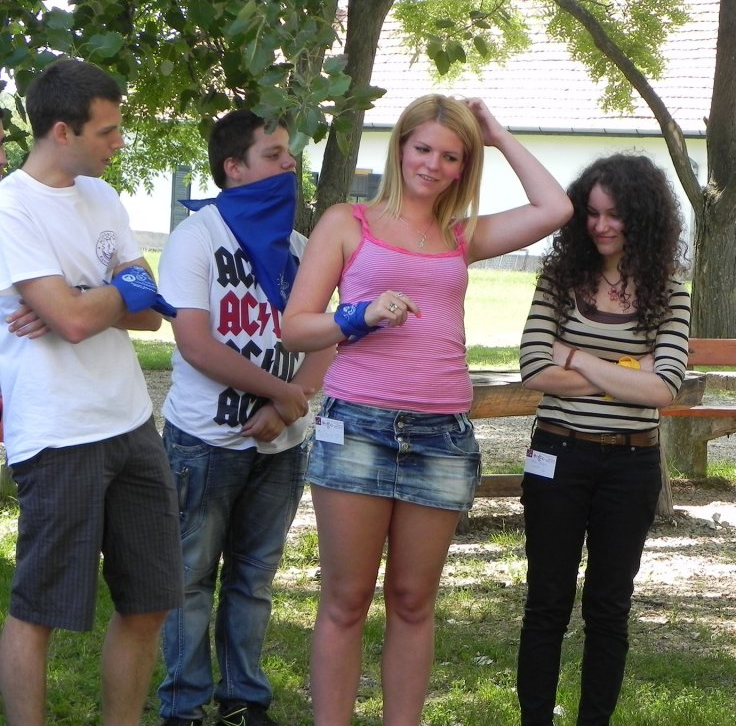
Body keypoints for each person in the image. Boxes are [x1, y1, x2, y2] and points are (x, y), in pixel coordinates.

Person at [281, 94, 572, 725]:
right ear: (400, 147)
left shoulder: (461, 235)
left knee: (413, 602)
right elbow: (295, 327)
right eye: (423, 149)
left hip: (441, 435)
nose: (433, 165)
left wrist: (497, 133)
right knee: (346, 600)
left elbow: (555, 208)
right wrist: (359, 315)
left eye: (451, 156)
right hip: (357, 425)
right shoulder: (347, 221)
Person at [0, 58, 183, 726]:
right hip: (57, 430)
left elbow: (149, 310)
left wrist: (78, 297)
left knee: (150, 600)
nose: (119, 142)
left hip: (130, 422)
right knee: (41, 608)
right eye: (107, 131)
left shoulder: (103, 197)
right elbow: (82, 321)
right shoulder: (11, 208)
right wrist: (104, 297)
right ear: (61, 131)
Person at [156, 109, 334, 726]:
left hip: (281, 447)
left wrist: (290, 403)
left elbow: (327, 337)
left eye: (290, 154)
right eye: (274, 154)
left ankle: (242, 703)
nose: (290, 164)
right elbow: (195, 343)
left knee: (254, 580)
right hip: (204, 442)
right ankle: (184, 707)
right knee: (188, 579)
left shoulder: (298, 248)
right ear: (233, 167)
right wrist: (281, 395)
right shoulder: (196, 236)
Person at [515, 153, 692, 726]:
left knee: (609, 608)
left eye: (614, 215)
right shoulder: (559, 280)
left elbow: (663, 389)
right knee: (546, 603)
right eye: (591, 213)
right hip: (557, 453)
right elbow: (534, 370)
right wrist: (627, 370)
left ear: (641, 217)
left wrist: (575, 356)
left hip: (631, 465)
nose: (600, 226)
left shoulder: (670, 292)